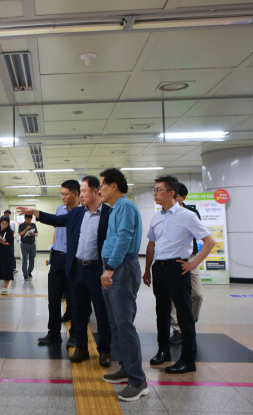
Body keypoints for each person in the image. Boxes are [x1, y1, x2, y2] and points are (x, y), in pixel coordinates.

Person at [20, 176, 112, 367]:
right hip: (77, 267)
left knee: (101, 311)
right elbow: (56, 220)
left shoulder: (109, 214)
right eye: (81, 191)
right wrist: (36, 212)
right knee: (78, 309)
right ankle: (81, 347)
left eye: (85, 191)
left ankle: (104, 351)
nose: (82, 194)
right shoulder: (77, 213)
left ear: (96, 192)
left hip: (97, 269)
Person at [144, 176, 215, 375]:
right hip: (159, 269)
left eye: (158, 189)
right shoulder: (157, 217)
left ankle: (188, 359)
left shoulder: (188, 215)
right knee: (162, 312)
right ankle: (163, 350)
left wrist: (194, 263)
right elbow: (151, 244)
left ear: (171, 193)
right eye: (154, 189)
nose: (155, 193)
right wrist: (148, 269)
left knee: (184, 315)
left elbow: (209, 241)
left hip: (178, 268)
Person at [98, 168, 147, 402]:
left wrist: (110, 268)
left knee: (125, 324)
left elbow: (125, 237)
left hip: (121, 269)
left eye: (102, 185)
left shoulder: (125, 207)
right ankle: (127, 368)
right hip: (113, 266)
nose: (100, 190)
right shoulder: (116, 208)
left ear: (114, 186)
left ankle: (139, 381)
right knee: (115, 323)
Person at [38, 179, 79, 346]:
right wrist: (53, 249)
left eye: (65, 194)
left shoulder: (82, 212)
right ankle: (54, 332)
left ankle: (76, 334)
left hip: (74, 259)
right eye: (61, 193)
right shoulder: (59, 209)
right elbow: (57, 228)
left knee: (75, 299)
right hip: (58, 257)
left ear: (76, 194)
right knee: (53, 297)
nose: (62, 197)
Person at [170, 183, 204, 345]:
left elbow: (202, 236)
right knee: (173, 296)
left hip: (190, 258)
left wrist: (195, 262)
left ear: (183, 197)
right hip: (172, 260)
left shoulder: (192, 213)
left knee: (197, 294)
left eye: (176, 196)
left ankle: (189, 324)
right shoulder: (165, 214)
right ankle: (177, 329)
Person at [0, 216, 15, 295]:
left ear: (8, 224)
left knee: (6, 270)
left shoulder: (10, 231)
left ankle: (5, 288)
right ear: (0, 223)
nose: (4, 225)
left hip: (6, 254)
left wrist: (3, 242)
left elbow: (10, 243)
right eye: (2, 223)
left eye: (6, 224)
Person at [19, 215, 38, 281]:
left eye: (30, 219)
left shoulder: (33, 225)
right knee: (25, 259)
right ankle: (25, 275)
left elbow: (36, 234)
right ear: (25, 218)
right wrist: (26, 229)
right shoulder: (21, 225)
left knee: (32, 260)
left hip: (32, 244)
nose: (29, 220)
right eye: (27, 219)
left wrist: (33, 234)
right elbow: (20, 234)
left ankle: (29, 271)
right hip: (24, 244)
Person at [4, 209, 18, 274]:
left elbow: (14, 232)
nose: (7, 215)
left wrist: (13, 236)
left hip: (10, 241)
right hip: (3, 241)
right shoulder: (2, 222)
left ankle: (13, 268)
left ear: (10, 215)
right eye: (6, 214)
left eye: (8, 214)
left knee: (11, 254)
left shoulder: (12, 223)